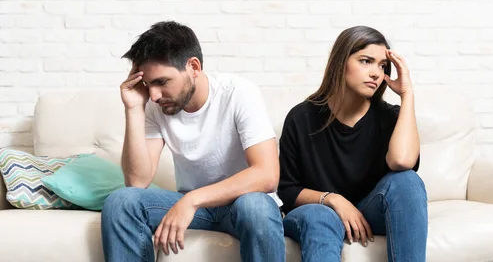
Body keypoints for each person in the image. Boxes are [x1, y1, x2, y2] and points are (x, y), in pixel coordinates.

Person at [101, 21, 285, 262]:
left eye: (161, 82)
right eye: (147, 84)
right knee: (121, 202)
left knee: (256, 207)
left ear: (193, 67)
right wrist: (134, 108)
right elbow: (137, 181)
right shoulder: (155, 105)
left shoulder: (239, 93)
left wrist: (192, 200)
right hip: (198, 209)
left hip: (242, 206)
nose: (154, 95)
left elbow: (266, 174)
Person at [277, 26, 427, 262]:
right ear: (340, 62)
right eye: (366, 61)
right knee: (319, 217)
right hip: (319, 210)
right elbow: (287, 189)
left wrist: (407, 94)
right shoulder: (301, 117)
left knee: (407, 180)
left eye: (382, 66)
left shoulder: (389, 117)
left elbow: (402, 161)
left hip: (371, 211)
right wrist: (334, 200)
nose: (376, 73)